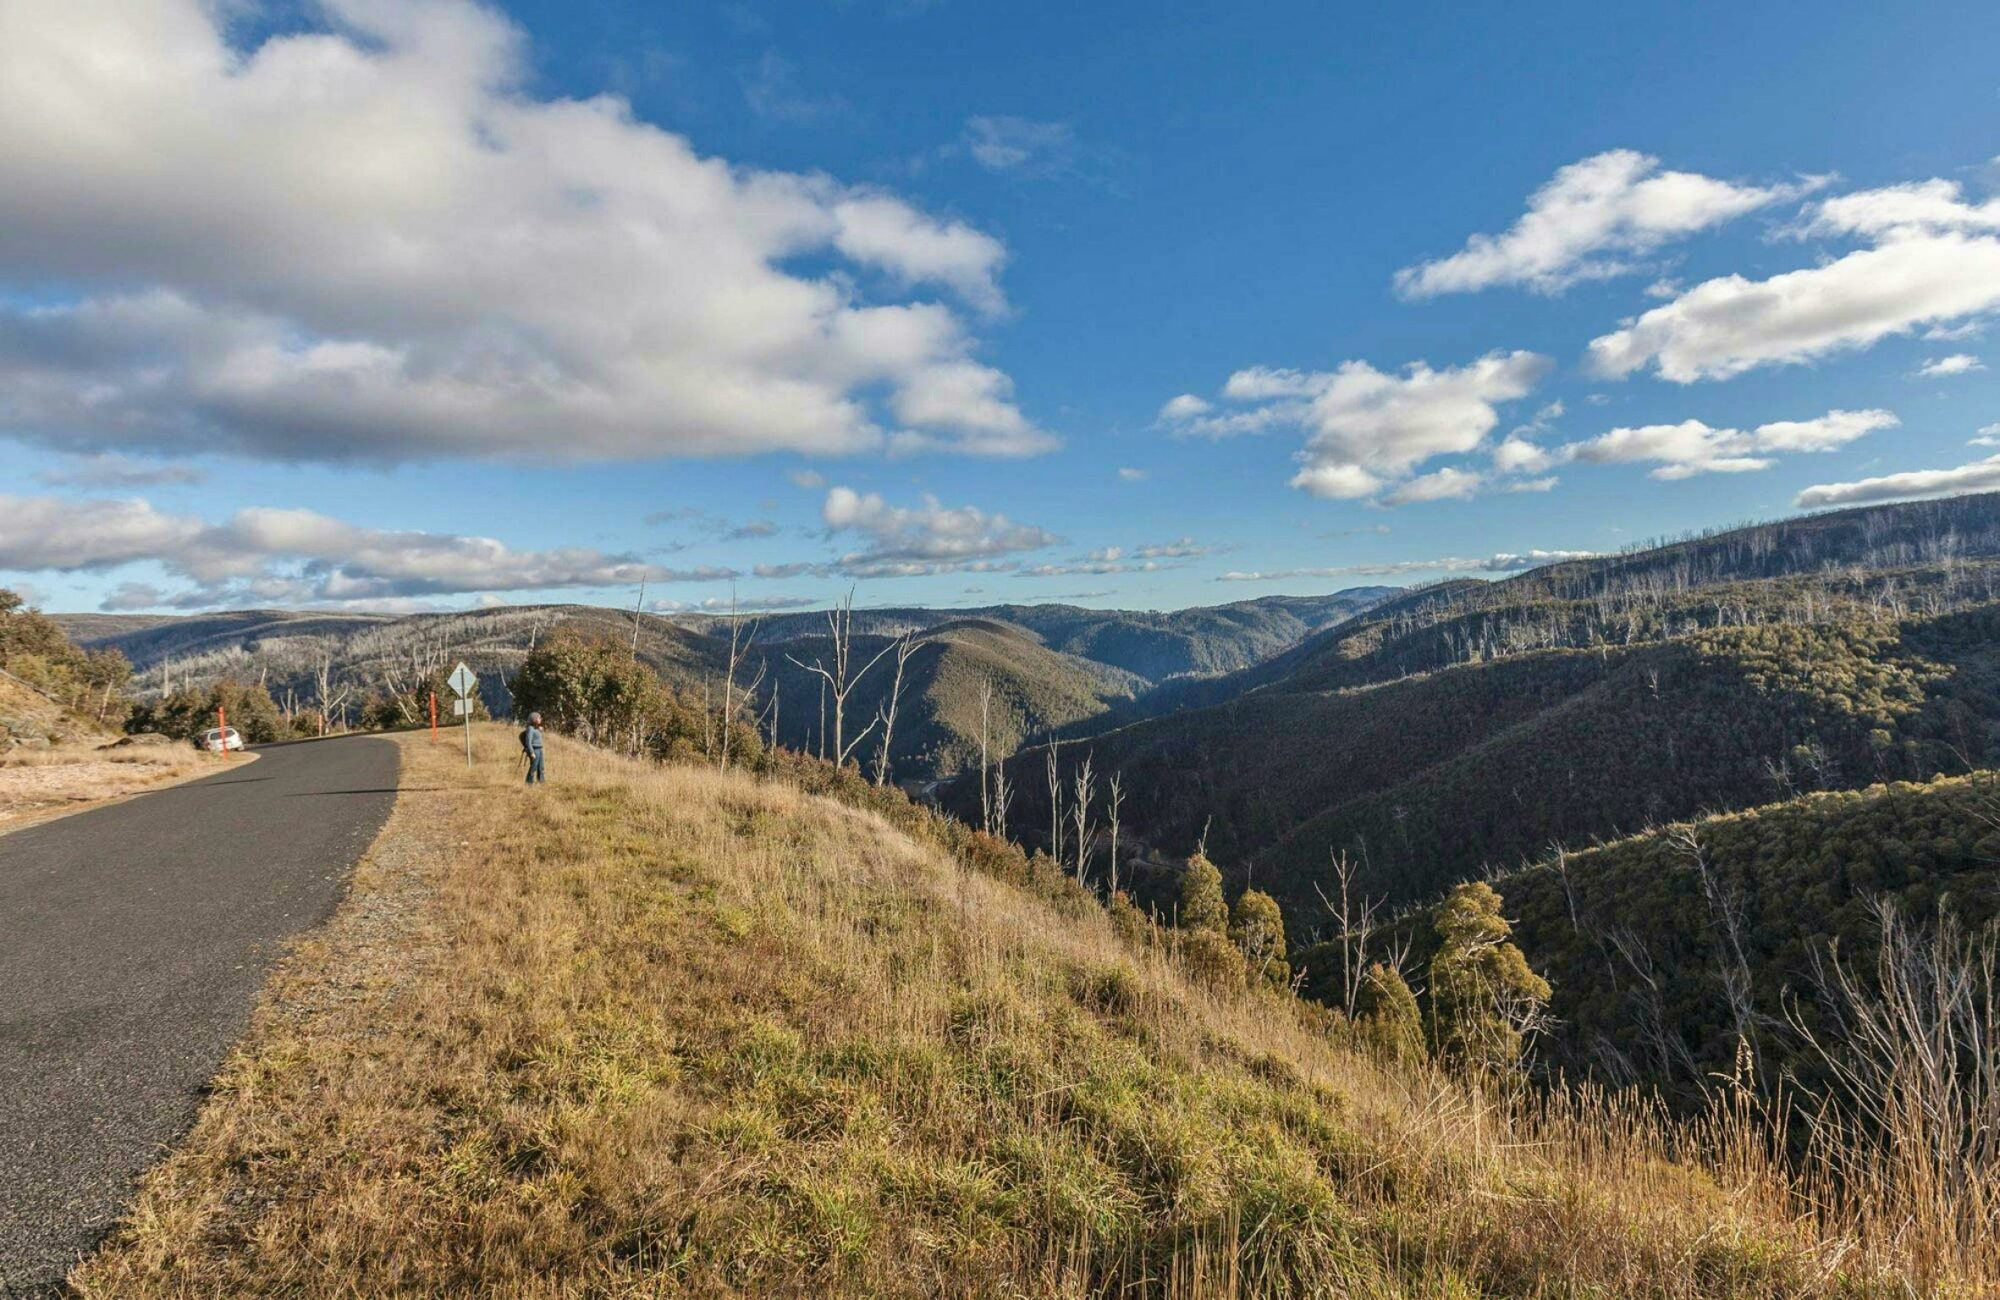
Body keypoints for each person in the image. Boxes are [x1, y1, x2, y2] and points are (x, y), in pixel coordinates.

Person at [520, 712, 546, 784]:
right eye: (539, 718)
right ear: (534, 719)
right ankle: (529, 783)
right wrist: (531, 752)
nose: (540, 719)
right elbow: (528, 741)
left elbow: (537, 737)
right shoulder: (530, 729)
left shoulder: (536, 728)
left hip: (540, 749)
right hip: (535, 750)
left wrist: (540, 730)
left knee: (541, 767)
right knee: (533, 767)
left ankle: (541, 782)